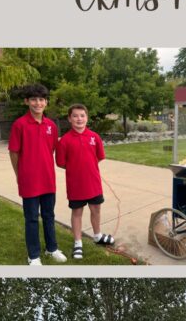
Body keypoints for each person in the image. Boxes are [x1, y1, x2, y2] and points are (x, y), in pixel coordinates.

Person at [8, 83, 67, 267]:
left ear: (46, 103)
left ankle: (52, 248)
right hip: (29, 181)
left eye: (41, 99)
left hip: (48, 179)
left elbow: (54, 151)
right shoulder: (20, 125)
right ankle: (33, 255)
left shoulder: (51, 125)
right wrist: (20, 175)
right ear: (27, 101)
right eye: (33, 99)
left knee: (49, 215)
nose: (38, 103)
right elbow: (14, 152)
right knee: (32, 218)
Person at [56, 104, 114, 260]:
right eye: (75, 116)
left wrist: (88, 167)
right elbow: (60, 162)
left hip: (94, 183)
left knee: (96, 210)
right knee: (77, 213)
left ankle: (97, 236)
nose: (79, 119)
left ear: (87, 118)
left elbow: (100, 156)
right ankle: (78, 243)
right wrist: (77, 168)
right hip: (75, 185)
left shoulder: (94, 137)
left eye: (82, 115)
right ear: (69, 119)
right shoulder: (65, 141)